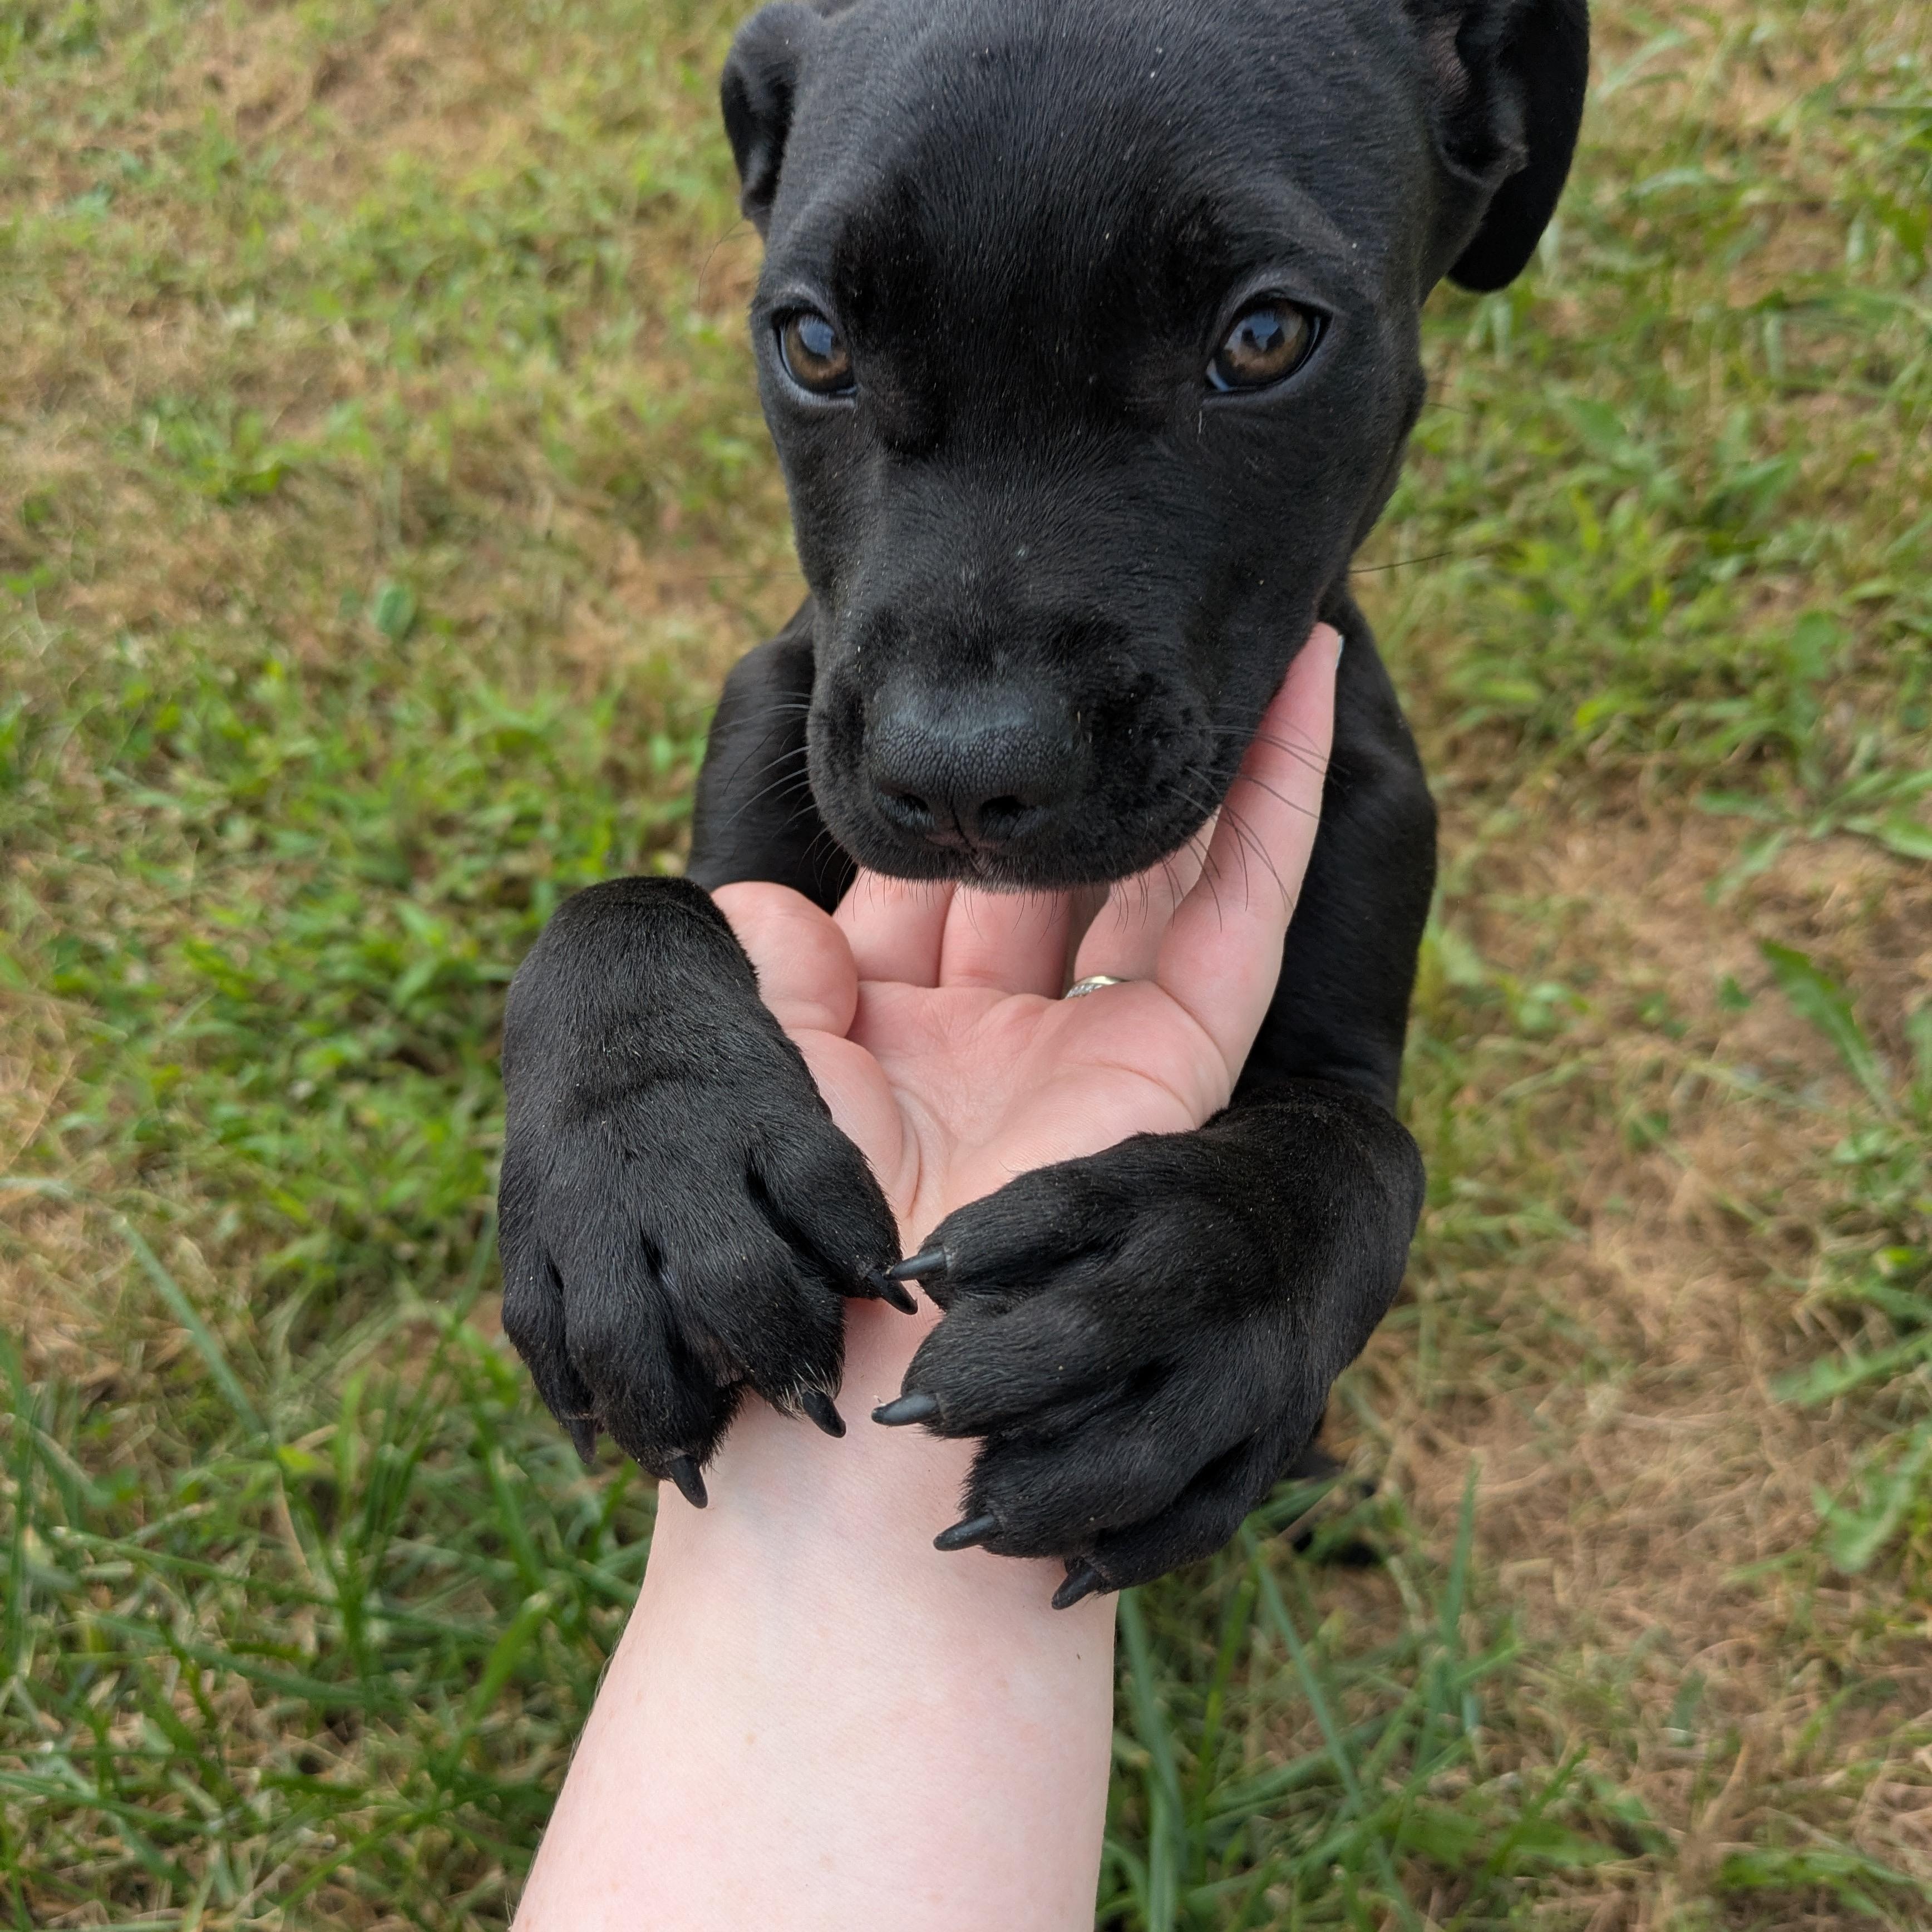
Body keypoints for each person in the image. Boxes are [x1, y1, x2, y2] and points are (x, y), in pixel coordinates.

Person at [512, 624, 1342, 1931]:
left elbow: (1333, 1095)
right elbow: (725, 1007)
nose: (973, 746)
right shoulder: (812, 708)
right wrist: (622, 1030)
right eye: (836, 396)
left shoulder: (1331, 774)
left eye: (1240, 394)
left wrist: (1286, 1248)